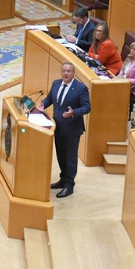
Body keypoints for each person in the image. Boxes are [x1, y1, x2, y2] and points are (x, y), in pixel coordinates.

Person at [39, 63, 90, 198]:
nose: (66, 73)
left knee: (70, 158)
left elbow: (87, 107)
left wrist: (74, 112)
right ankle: (63, 179)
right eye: (64, 71)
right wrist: (42, 104)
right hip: (57, 126)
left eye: (69, 71)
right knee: (61, 155)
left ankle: (69, 185)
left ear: (74, 73)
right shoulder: (56, 84)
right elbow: (50, 98)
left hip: (72, 128)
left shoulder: (80, 88)